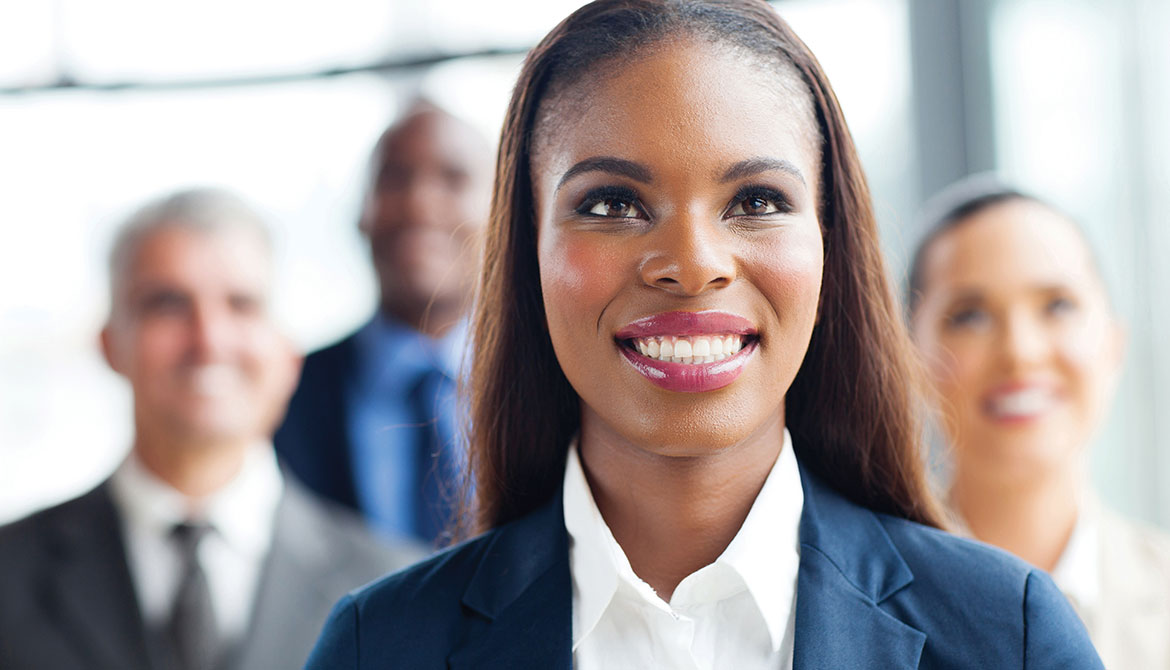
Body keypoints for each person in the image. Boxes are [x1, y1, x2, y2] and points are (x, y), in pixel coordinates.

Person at [307, 1, 1103, 667]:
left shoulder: (1011, 637)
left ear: (831, 245)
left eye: (756, 200)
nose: (691, 265)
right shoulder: (377, 646)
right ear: (527, 252)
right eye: (612, 202)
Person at [0, 189, 423, 670]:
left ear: (286, 352)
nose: (209, 339)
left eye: (241, 304)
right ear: (109, 344)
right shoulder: (7, 575)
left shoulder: (398, 588)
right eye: (168, 304)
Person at [908, 175, 1170, 668]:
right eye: (970, 316)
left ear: (1114, 344)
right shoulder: (853, 606)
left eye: (1057, 306)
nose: (1021, 354)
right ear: (909, 359)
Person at [275, 102, 493, 546]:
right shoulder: (283, 393)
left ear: (503, 214)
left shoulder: (560, 384)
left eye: (453, 178)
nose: (419, 204)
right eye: (394, 178)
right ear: (361, 215)